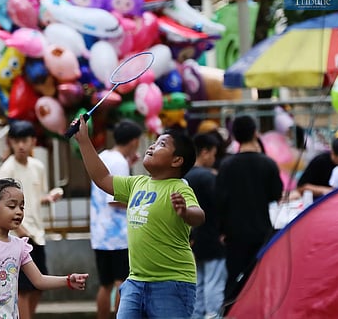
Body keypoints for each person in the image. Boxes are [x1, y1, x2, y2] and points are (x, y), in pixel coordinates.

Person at [73, 114, 205, 318]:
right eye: (154, 142)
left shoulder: (179, 187)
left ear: (177, 160)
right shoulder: (136, 183)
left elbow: (199, 216)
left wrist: (185, 212)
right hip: (135, 282)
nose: (152, 146)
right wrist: (84, 141)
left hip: (172, 283)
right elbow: (101, 178)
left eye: (162, 144)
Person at [0, 178, 88, 319]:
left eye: (22, 207)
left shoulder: (19, 245)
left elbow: (39, 280)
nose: (19, 212)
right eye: (12, 206)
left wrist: (68, 280)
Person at [0, 120, 63, 319]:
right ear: (10, 143)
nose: (21, 145)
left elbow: (35, 196)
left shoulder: (38, 167)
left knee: (38, 285)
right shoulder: (7, 170)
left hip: (37, 234)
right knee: (24, 288)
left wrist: (49, 197)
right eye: (16, 141)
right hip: (19, 236)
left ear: (33, 141)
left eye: (25, 140)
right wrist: (18, 230)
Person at [215, 115, 283, 312]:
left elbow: (220, 201)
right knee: (261, 277)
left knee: (234, 279)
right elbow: (276, 195)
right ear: (255, 133)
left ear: (235, 137)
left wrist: (221, 230)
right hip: (262, 231)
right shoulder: (268, 163)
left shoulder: (226, 166)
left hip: (234, 233)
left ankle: (230, 313)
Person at [90, 119, 143, 319]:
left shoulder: (104, 156)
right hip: (118, 235)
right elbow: (116, 200)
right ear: (134, 141)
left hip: (100, 233)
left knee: (105, 285)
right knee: (123, 283)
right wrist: (142, 203)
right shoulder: (119, 162)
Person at [186, 133, 227, 319]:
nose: (213, 158)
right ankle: (213, 316)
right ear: (204, 153)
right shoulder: (208, 178)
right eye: (213, 154)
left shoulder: (184, 176)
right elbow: (222, 206)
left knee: (199, 283)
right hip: (212, 238)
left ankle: (197, 315)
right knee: (214, 283)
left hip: (192, 240)